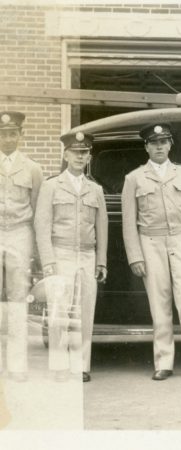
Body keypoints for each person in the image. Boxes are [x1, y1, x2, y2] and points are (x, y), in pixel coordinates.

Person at [121, 123, 181, 381]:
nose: (159, 147)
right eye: (154, 143)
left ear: (170, 145)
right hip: (151, 243)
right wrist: (135, 255)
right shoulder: (134, 178)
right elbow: (129, 222)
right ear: (146, 147)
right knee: (159, 306)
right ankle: (164, 362)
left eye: (163, 142)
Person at [34, 131, 108, 382]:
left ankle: (82, 365)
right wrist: (48, 262)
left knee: (86, 312)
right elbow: (41, 226)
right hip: (61, 254)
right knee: (59, 311)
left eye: (84, 152)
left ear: (89, 156)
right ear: (65, 155)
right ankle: (58, 365)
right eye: (75, 153)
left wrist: (101, 261)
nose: (80, 157)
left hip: (87, 256)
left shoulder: (95, 189)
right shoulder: (51, 186)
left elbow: (102, 227)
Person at [0, 111, 43, 382]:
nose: (7, 138)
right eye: (3, 134)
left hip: (19, 234)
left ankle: (16, 364)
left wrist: (37, 251)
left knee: (17, 299)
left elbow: (38, 210)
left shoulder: (32, 169)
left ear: (21, 135)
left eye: (13, 133)